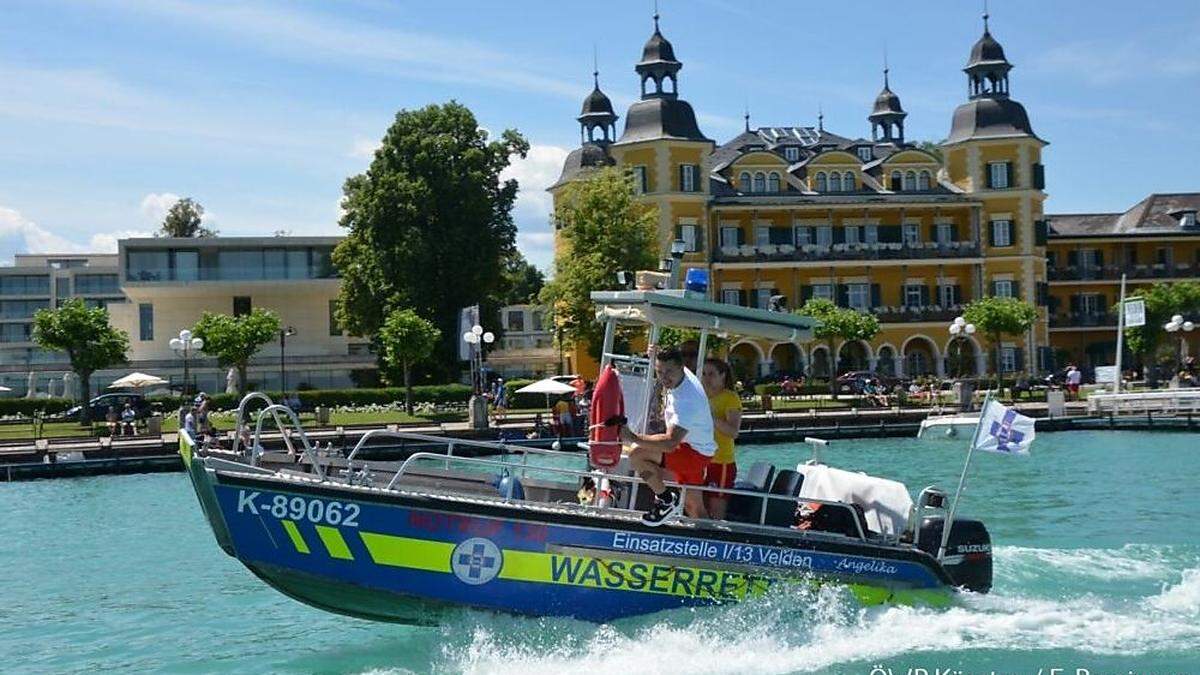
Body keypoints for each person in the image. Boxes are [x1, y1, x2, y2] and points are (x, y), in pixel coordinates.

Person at [619, 347, 717, 525]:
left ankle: (666, 500)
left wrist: (632, 437)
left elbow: (670, 443)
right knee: (693, 505)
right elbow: (667, 360)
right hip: (697, 448)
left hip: (693, 454)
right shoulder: (681, 375)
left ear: (681, 367)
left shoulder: (687, 400)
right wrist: (655, 352)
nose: (664, 377)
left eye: (669, 372)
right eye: (659, 372)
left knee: (636, 453)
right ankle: (709, 541)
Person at [701, 358, 741, 519]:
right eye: (704, 374)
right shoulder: (701, 396)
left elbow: (733, 431)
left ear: (722, 375)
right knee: (699, 504)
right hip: (701, 459)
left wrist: (711, 417)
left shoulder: (730, 398)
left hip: (721, 461)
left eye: (711, 374)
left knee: (716, 509)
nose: (706, 378)